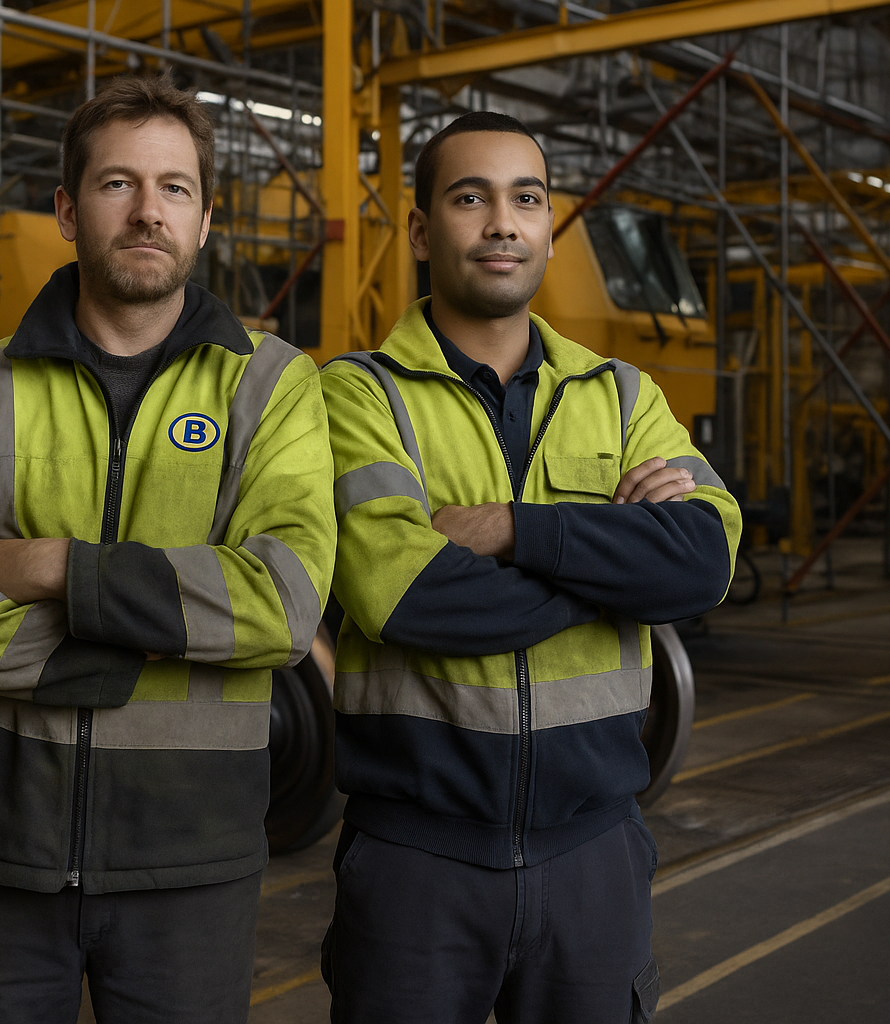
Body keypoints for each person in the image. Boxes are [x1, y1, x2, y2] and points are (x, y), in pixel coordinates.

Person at [0, 74, 336, 1024]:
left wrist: (59, 569)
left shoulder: (273, 388)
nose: (147, 212)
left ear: (207, 219)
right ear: (66, 209)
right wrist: (157, 638)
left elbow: (286, 608)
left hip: (191, 856)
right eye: (117, 184)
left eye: (175, 188)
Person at [318, 111, 743, 1023]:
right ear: (425, 231)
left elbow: (704, 560)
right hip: (415, 864)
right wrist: (615, 569)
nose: (502, 222)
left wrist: (516, 530)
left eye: (527, 199)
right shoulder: (356, 393)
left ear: (549, 226)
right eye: (471, 198)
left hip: (595, 857)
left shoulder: (623, 394)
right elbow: (404, 594)